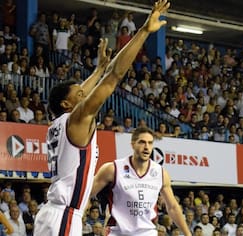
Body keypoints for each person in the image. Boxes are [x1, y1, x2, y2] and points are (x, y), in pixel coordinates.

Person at [33, 0, 171, 235]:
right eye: (80, 94)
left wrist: (97, 70)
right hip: (64, 216)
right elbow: (115, 76)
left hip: (54, 214)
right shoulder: (76, 119)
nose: (84, 93)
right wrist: (144, 31)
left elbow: (86, 88)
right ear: (67, 104)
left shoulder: (58, 123)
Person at [90, 127, 192, 236]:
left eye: (150, 143)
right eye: (142, 142)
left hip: (148, 232)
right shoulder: (113, 169)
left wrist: (188, 234)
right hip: (118, 232)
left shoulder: (161, 173)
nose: (146, 147)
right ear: (133, 144)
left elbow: (173, 207)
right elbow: (86, 194)